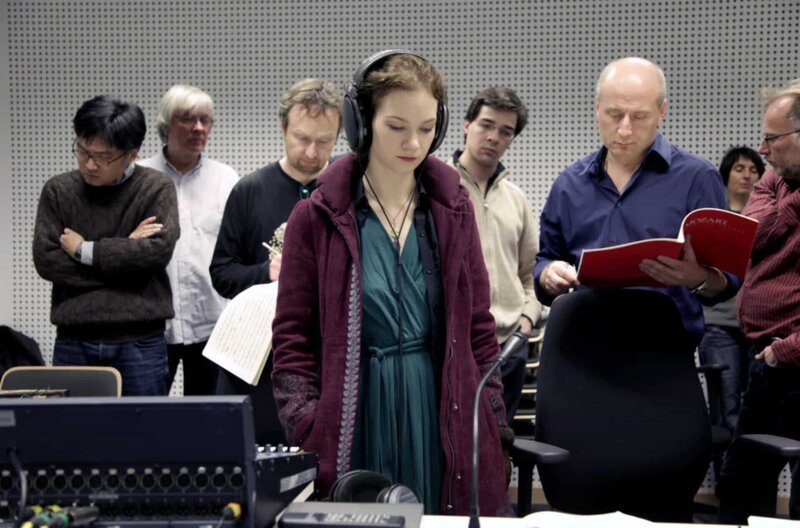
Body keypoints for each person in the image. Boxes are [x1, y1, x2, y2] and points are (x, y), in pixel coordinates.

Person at [271, 50, 511, 516]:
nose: (414, 143)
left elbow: (479, 329)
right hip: (354, 414)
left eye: (426, 128)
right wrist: (307, 426)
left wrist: (494, 421)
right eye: (396, 127)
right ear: (361, 125)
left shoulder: (455, 212)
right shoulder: (315, 217)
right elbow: (293, 339)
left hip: (443, 409)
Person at [535, 57, 738, 345]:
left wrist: (697, 278)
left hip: (663, 352)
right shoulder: (569, 184)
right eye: (614, 114)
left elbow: (727, 280)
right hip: (583, 347)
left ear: (662, 111)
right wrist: (548, 275)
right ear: (596, 108)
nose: (625, 129)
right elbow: (546, 259)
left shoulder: (698, 178)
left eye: (640, 116)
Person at [209, 78, 342, 444]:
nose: (312, 152)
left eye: (324, 141)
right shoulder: (250, 191)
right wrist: (266, 271)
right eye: (301, 138)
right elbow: (221, 273)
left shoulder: (349, 192)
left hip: (330, 355)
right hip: (262, 357)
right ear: (282, 128)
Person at [32, 96, 179, 395]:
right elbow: (47, 261)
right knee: (72, 436)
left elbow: (155, 255)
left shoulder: (156, 188)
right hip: (74, 340)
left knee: (145, 435)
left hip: (140, 342)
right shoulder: (58, 191)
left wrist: (82, 250)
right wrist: (125, 251)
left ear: (131, 155)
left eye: (103, 156)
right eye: (83, 151)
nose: (90, 164)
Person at [716, 80, 800, 524]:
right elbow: (752, 238)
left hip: (792, 356)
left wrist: (786, 350)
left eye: (772, 138)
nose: (763, 150)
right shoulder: (774, 179)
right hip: (765, 360)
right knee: (740, 485)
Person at [448, 86, 542, 424]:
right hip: (455, 347)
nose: (494, 137)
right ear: (466, 124)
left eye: (505, 131)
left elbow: (531, 274)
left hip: (509, 347)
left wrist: (527, 321)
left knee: (499, 448)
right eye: (486, 125)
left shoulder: (516, 200)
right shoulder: (438, 189)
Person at [138, 85, 239, 395]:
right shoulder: (139, 177)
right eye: (188, 119)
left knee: (208, 421)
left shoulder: (226, 179)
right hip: (152, 325)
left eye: (205, 120)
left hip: (211, 323)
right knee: (146, 420)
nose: (198, 128)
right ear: (166, 124)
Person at [697, 146, 765, 434]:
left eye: (753, 170)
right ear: (726, 174)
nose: (747, 175)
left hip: (758, 328)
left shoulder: (770, 218)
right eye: (739, 169)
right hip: (718, 324)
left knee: (758, 409)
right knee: (726, 410)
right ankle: (730, 477)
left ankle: (757, 477)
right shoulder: (713, 218)